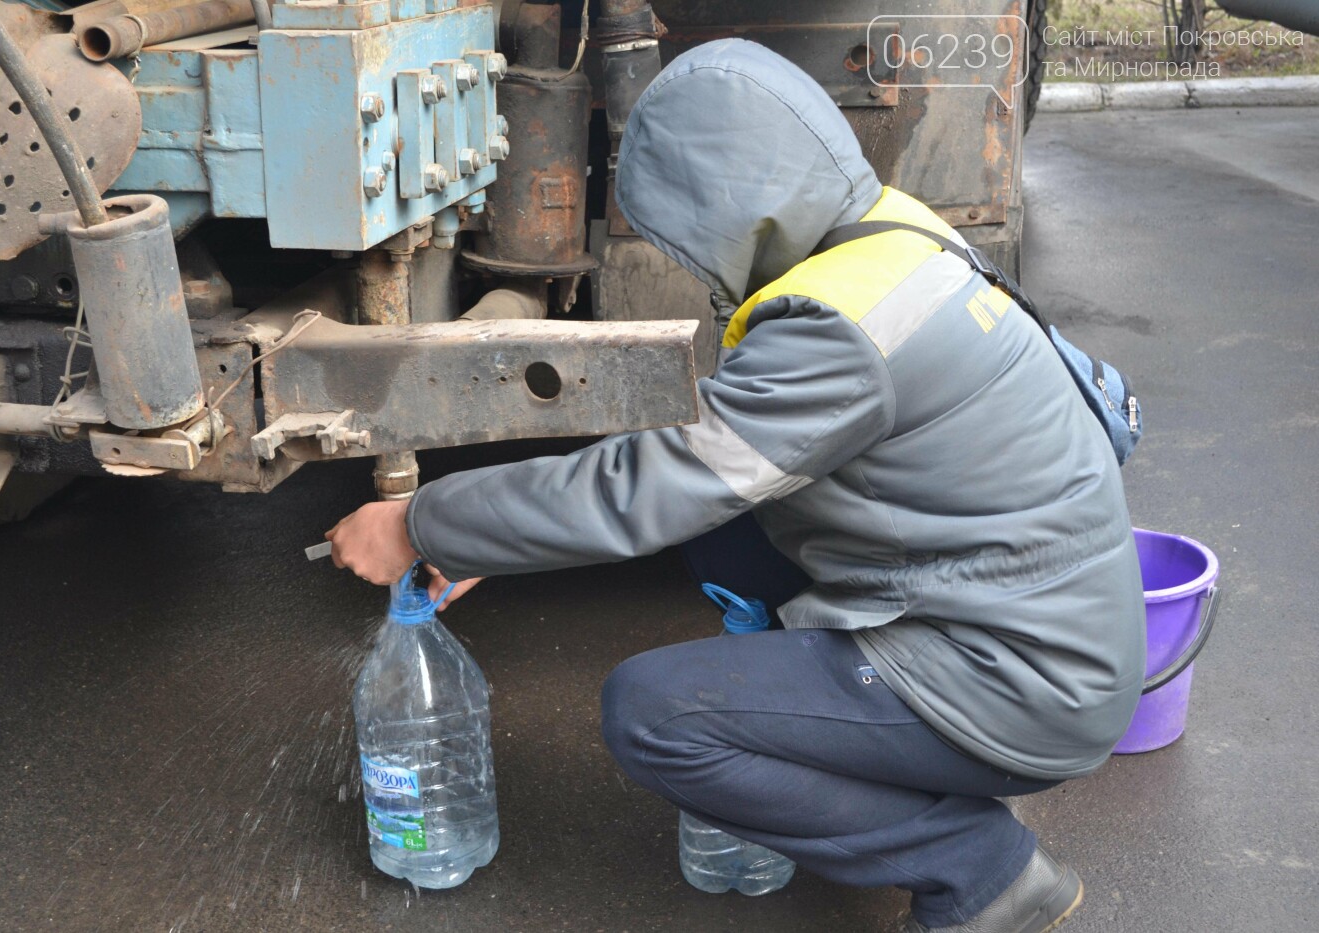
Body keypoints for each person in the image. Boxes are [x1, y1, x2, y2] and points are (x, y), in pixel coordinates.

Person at [326, 39, 1146, 933]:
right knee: (713, 527)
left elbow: (650, 483)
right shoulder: (890, 234)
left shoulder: (838, 335)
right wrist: (490, 542)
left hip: (1020, 682)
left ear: (718, 208)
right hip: (1031, 623)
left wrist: (427, 524)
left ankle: (985, 871)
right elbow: (701, 462)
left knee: (656, 713)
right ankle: (840, 726)